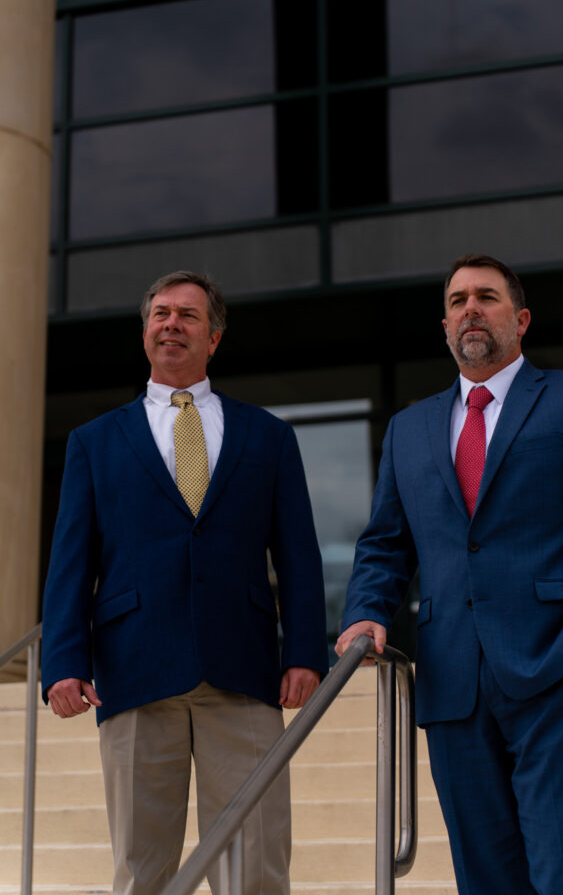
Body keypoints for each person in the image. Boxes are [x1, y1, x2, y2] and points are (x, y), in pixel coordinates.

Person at [336, 254, 563, 895]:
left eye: (486, 296)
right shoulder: (408, 429)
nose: (470, 309)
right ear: (446, 325)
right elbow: (385, 545)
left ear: (522, 318)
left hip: (562, 666)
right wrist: (364, 610)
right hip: (453, 682)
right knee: (485, 880)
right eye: (457, 301)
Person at [41, 270, 328, 895]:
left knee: (255, 864)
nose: (172, 324)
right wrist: (63, 660)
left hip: (245, 672)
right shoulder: (94, 442)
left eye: (188, 316)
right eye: (161, 314)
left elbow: (300, 556)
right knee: (142, 869)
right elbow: (71, 562)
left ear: (214, 337)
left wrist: (305, 650)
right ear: (145, 332)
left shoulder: (270, 437)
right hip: (135, 668)